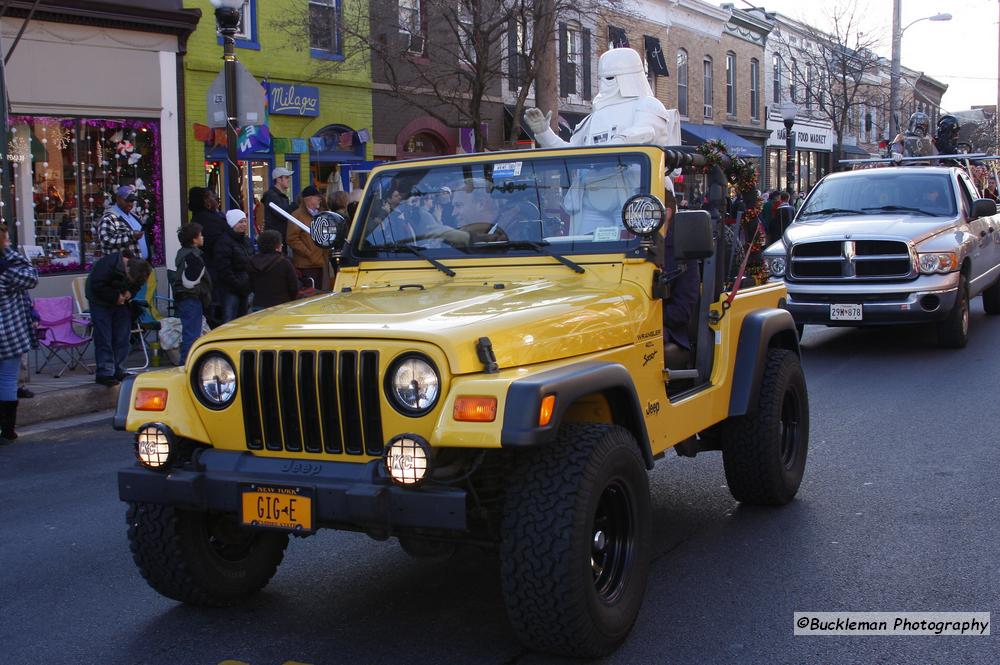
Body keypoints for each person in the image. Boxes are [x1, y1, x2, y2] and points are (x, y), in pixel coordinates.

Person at [525, 47, 678, 148]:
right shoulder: (593, 118)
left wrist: (618, 142)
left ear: (629, 77)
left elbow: (645, 132)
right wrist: (544, 133)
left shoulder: (647, 105)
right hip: (587, 191)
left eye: (611, 77)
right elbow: (570, 152)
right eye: (602, 78)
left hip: (633, 189)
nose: (605, 83)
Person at [86, 250, 152, 386]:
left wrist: (129, 293)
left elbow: (137, 285)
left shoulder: (138, 268)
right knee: (104, 337)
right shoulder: (107, 265)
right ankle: (104, 373)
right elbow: (96, 285)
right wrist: (116, 297)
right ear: (127, 270)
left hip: (120, 302)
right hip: (100, 302)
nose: (130, 281)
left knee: (122, 336)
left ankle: (118, 369)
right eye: (129, 280)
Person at [0, 222, 39, 443]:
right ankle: (7, 430)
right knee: (6, 379)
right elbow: (32, 276)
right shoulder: (8, 270)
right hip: (8, 331)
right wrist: (8, 252)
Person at [172, 223, 212, 364]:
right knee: (192, 334)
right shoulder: (193, 257)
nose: (202, 237)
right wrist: (202, 291)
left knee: (191, 331)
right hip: (191, 298)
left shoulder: (183, 253)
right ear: (194, 239)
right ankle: (187, 363)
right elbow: (190, 283)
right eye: (200, 235)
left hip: (186, 298)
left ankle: (187, 361)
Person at [214, 209, 254, 323]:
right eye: (240, 222)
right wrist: (237, 284)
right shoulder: (224, 242)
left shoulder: (246, 241)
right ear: (232, 223)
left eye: (245, 221)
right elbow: (223, 268)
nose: (244, 225)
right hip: (230, 288)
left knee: (244, 320)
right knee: (229, 319)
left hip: (246, 287)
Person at [287, 185, 327, 289]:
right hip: (306, 265)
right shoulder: (297, 215)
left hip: (321, 263)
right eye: (317, 196)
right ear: (308, 199)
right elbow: (292, 239)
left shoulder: (321, 214)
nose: (320, 199)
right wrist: (309, 253)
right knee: (310, 296)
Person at [249, 230, 299, 311]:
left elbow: (250, 285)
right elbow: (294, 287)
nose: (282, 245)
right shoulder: (284, 262)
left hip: (258, 306)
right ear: (276, 246)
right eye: (280, 243)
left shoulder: (252, 261)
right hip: (281, 306)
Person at [98, 185, 149, 261]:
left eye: (132, 201)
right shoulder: (108, 218)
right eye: (127, 200)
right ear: (118, 198)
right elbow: (106, 241)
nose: (130, 204)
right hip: (123, 269)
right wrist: (131, 236)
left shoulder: (133, 215)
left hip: (140, 267)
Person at [262, 167, 294, 244]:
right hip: (274, 239)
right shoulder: (272, 196)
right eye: (286, 177)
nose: (288, 180)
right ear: (279, 179)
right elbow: (283, 214)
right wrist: (295, 205)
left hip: (280, 237)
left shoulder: (280, 196)